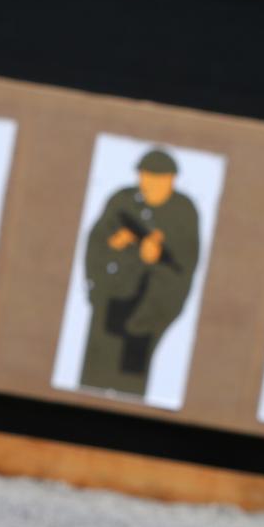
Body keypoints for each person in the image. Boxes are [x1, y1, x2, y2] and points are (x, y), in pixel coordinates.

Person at [78, 148, 202, 396]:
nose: (148, 186)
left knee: (129, 386)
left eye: (156, 180)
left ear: (171, 180)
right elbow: (95, 245)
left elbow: (185, 265)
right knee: (92, 380)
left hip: (148, 312)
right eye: (145, 178)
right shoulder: (123, 200)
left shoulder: (183, 211)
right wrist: (114, 247)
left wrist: (155, 260)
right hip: (109, 303)